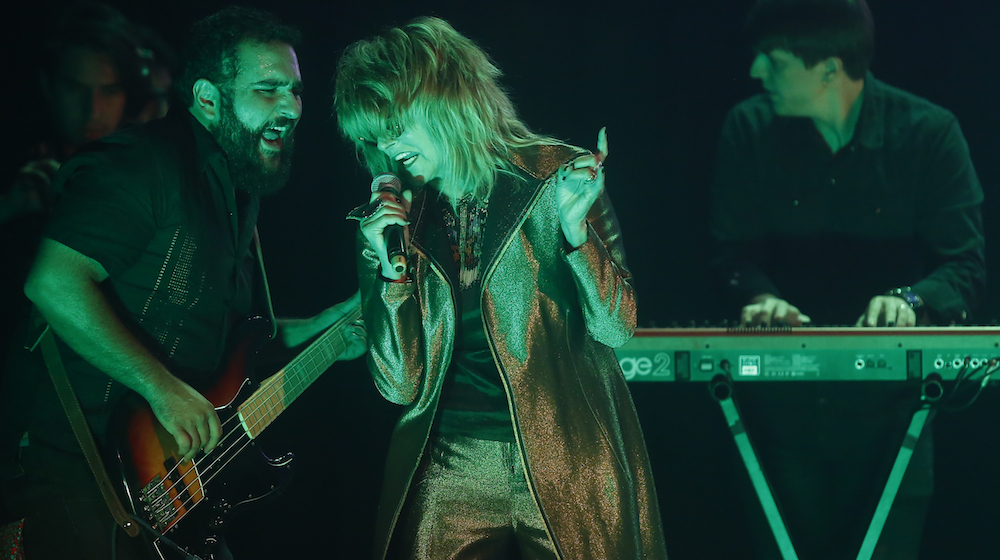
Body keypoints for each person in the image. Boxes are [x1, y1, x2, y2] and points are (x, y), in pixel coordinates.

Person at [0, 7, 365, 559]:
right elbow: (53, 281)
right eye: (267, 90)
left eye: (294, 91)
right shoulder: (142, 163)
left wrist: (329, 326)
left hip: (164, 490)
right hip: (75, 476)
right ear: (208, 98)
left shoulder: (239, 195)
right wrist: (163, 389)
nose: (291, 108)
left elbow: (231, 343)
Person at [335, 17, 667, 560]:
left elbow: (616, 326)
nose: (388, 146)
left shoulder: (559, 177)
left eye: (394, 124)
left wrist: (575, 234)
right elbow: (398, 385)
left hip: (569, 453)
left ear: (447, 98)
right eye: (373, 134)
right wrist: (390, 271)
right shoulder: (388, 221)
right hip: (451, 460)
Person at [710, 0, 984, 558]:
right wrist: (760, 296)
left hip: (892, 417)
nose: (756, 72)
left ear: (830, 68)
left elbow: (965, 265)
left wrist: (910, 300)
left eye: (774, 60)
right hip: (779, 415)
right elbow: (727, 254)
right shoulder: (748, 128)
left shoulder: (928, 133)